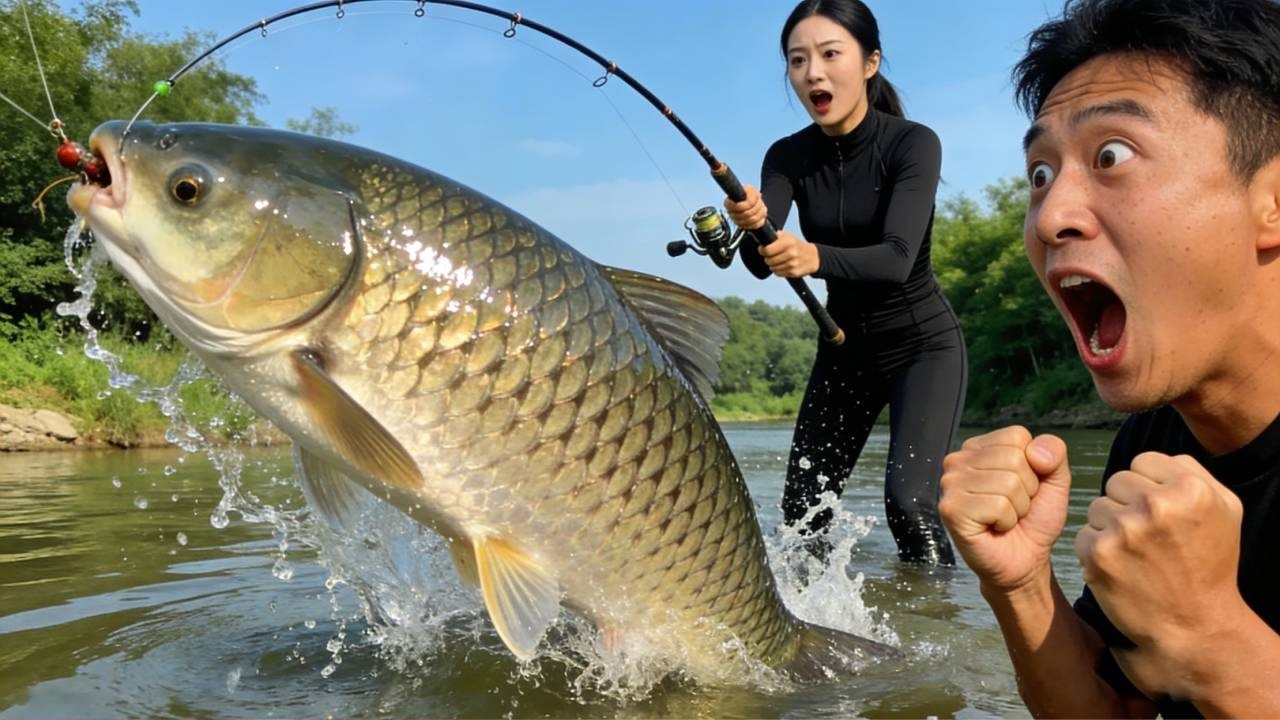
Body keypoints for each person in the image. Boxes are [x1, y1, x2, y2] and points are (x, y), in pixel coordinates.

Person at [938, 0, 1280, 716]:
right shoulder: (1155, 442)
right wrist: (1021, 581)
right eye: (1039, 173)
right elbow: (1110, 712)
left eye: (1111, 156)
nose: (1050, 213)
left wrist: (1214, 640)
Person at [724, 0, 968, 565]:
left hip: (922, 347)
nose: (813, 72)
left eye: (830, 54)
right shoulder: (786, 156)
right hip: (844, 349)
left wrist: (810, 255)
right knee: (802, 516)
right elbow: (762, 263)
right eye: (797, 60)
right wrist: (754, 227)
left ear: (869, 62)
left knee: (909, 506)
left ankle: (937, 635)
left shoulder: (914, 144)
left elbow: (896, 259)